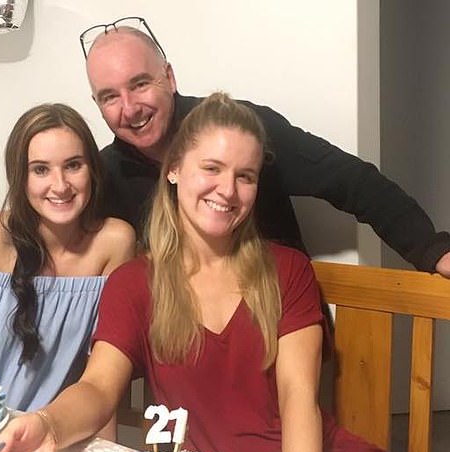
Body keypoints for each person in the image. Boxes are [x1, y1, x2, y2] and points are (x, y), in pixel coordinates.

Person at [0, 93, 426, 452]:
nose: (227, 191)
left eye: (245, 176)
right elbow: (99, 386)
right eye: (211, 168)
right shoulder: (135, 282)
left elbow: (298, 399)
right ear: (174, 168)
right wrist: (47, 425)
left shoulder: (287, 270)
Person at [79, 17, 450, 277]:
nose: (129, 108)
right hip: (181, 348)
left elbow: (350, 180)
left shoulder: (243, 129)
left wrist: (432, 250)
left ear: (169, 77)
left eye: (140, 84)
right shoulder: (102, 176)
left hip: (280, 331)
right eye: (110, 96)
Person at [0, 103, 136, 412]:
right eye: (40, 169)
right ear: (20, 177)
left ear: (93, 169)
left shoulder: (115, 243)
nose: (60, 185)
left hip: (58, 427)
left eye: (73, 165)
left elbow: (102, 371)